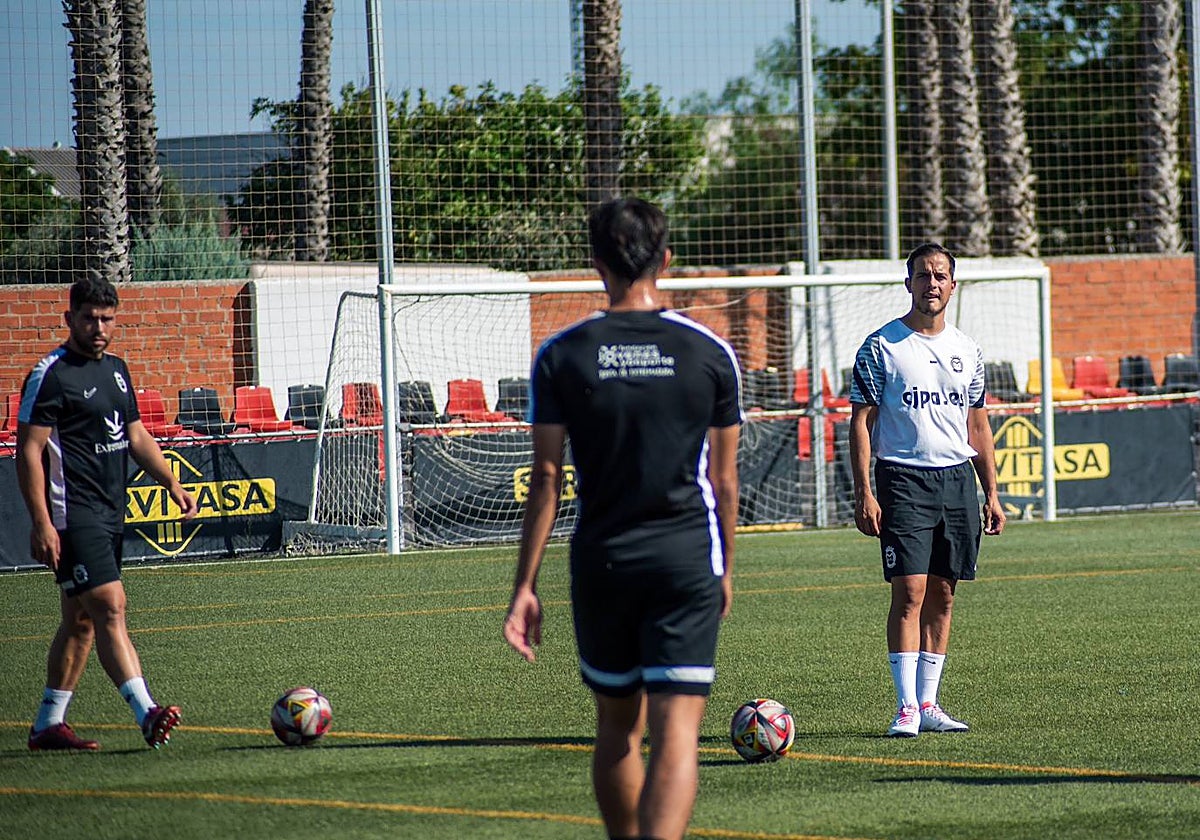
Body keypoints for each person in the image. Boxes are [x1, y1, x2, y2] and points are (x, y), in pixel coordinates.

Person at [503, 197, 742, 840]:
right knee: (677, 733)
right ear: (666, 259)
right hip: (687, 557)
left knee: (616, 727)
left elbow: (548, 477)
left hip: (602, 561)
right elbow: (723, 479)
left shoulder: (561, 354)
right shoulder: (710, 353)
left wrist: (525, 586)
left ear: (595, 262)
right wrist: (725, 568)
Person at [18, 276, 198, 751]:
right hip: (73, 513)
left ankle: (47, 725)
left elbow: (136, 436)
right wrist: (41, 522)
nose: (98, 327)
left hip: (110, 511)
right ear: (69, 319)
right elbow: (28, 451)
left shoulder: (117, 369)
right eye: (89, 318)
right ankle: (147, 711)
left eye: (107, 318)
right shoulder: (50, 374)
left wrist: (172, 483)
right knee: (111, 606)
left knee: (79, 621)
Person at [848, 242, 1005, 738]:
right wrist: (864, 491)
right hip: (904, 479)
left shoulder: (968, 349)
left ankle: (931, 703)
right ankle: (906, 706)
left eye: (940, 276)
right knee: (910, 591)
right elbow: (861, 422)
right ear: (908, 283)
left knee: (944, 592)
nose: (931, 283)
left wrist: (992, 493)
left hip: (956, 481)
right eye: (922, 275)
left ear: (952, 286)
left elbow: (977, 426)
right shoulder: (881, 347)